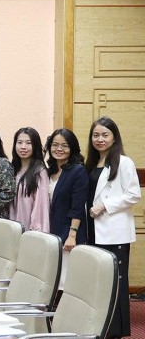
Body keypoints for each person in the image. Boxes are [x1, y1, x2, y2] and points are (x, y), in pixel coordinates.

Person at [85, 117, 140, 338]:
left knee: (116, 281)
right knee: (98, 279)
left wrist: (105, 206)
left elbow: (134, 194)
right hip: (93, 229)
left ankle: (116, 330)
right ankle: (99, 326)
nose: (100, 139)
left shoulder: (124, 162)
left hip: (114, 231)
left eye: (105, 135)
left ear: (114, 137)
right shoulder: (91, 163)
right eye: (96, 135)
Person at [45, 128, 88, 253]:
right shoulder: (49, 171)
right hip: (52, 233)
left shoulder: (78, 171)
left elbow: (77, 208)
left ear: (72, 148)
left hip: (69, 236)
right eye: (55, 145)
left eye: (64, 146)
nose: (59, 149)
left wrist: (72, 235)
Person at [10, 127, 50, 231]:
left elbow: (41, 206)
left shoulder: (39, 171)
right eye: (19, 142)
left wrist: (35, 230)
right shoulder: (14, 169)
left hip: (30, 230)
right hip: (13, 227)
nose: (23, 147)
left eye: (28, 143)